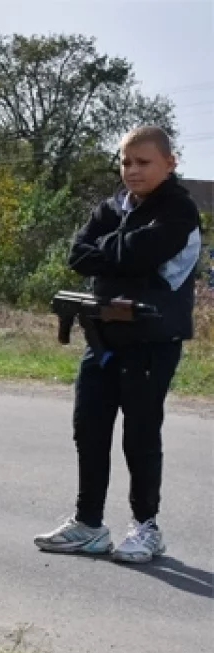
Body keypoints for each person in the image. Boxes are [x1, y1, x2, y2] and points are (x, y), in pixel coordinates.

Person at [35, 126, 202, 563]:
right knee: (88, 427)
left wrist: (110, 254)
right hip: (102, 338)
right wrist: (122, 254)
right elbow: (77, 255)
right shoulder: (111, 207)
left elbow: (142, 253)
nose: (132, 171)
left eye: (143, 162)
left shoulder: (180, 211)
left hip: (152, 340)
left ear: (170, 162)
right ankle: (89, 524)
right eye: (126, 162)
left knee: (140, 434)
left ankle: (146, 527)